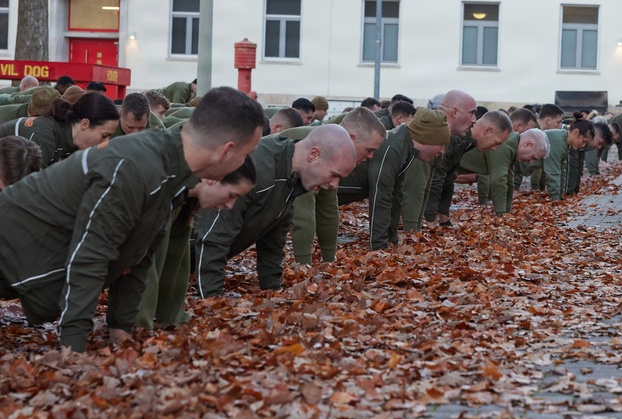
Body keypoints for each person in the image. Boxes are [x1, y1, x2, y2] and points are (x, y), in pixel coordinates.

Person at [0, 87, 266, 351]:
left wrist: (121, 332)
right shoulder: (137, 167)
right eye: (245, 154)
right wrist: (73, 351)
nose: (243, 162)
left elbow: (136, 258)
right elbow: (90, 256)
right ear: (226, 150)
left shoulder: (169, 174)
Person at [191, 124, 357, 297]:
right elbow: (212, 238)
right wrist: (212, 301)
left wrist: (273, 292)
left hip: (190, 261)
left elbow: (272, 242)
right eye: (334, 175)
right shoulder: (256, 168)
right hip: (171, 257)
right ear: (314, 155)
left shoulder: (291, 178)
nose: (334, 185)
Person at [135, 155, 257, 330]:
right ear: (212, 180)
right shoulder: (164, 189)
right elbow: (145, 265)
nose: (230, 206)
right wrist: (139, 330)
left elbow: (175, 263)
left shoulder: (185, 200)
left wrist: (173, 318)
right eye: (231, 195)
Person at [338, 108, 451, 250]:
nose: (441, 150)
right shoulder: (393, 148)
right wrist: (380, 248)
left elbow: (396, 196)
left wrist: (392, 239)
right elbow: (380, 198)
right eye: (440, 144)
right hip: (330, 189)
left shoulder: (406, 146)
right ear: (426, 139)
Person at [289, 108, 388, 264]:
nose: (370, 157)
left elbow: (328, 209)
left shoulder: (337, 151)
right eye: (369, 150)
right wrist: (303, 268)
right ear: (351, 138)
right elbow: (303, 216)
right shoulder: (320, 145)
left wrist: (330, 261)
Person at [400, 90, 478, 230]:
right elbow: (414, 191)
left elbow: (429, 186)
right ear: (454, 112)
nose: (474, 120)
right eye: (471, 113)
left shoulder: (446, 137)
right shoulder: (429, 135)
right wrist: (412, 235)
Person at [423, 110, 513, 224]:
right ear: (487, 131)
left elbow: (448, 178)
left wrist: (444, 219)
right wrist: (430, 222)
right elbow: (435, 178)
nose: (494, 148)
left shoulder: (468, 141)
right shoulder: (458, 137)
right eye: (496, 142)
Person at [0, 91, 120, 167]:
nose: (106, 143)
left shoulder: (68, 143)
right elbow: (30, 193)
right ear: (85, 124)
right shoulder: (43, 136)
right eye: (104, 136)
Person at [457, 127, 550, 216]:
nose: (531, 162)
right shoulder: (505, 145)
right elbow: (498, 181)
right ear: (527, 144)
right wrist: (501, 215)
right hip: (450, 162)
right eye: (533, 157)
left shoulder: (512, 145)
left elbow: (509, 181)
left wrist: (507, 210)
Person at [538, 118, 594, 200]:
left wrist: (560, 196)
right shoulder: (558, 141)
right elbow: (553, 172)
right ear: (576, 132)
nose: (583, 146)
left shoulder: (565, 141)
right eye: (584, 141)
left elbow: (562, 171)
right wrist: (555, 198)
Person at [566, 120, 612, 195]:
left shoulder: (581, 146)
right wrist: (570, 193)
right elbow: (571, 169)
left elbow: (578, 169)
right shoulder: (574, 141)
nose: (599, 147)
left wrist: (575, 191)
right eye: (599, 143)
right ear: (593, 135)